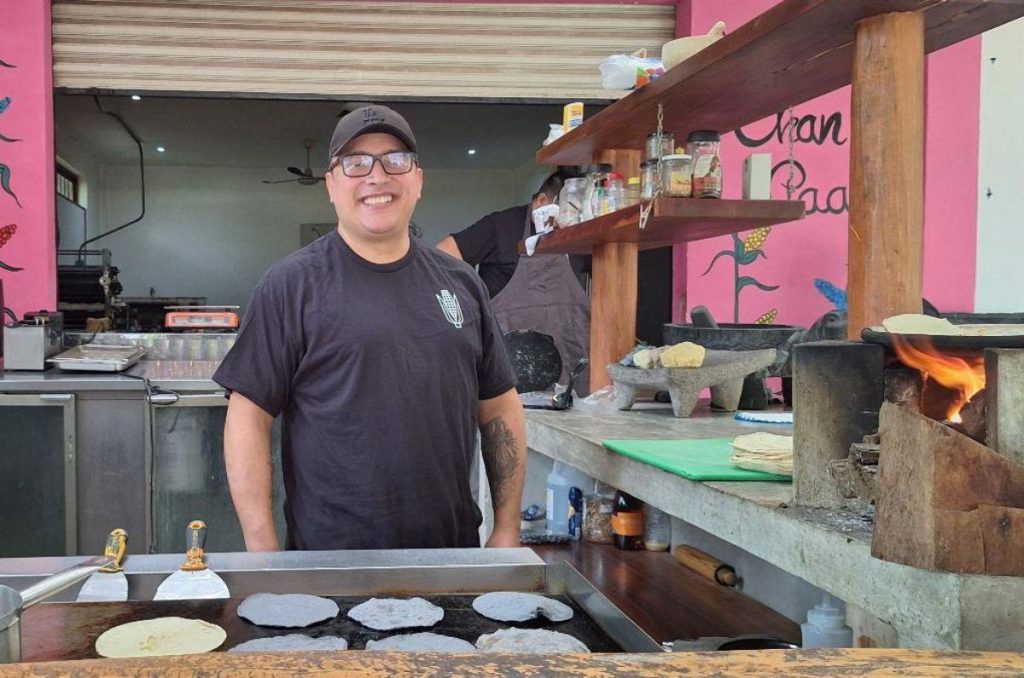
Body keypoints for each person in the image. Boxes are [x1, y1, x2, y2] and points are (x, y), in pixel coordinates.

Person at [214, 105, 526, 551]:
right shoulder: (291, 284)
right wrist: (263, 550)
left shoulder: (462, 284)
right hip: (329, 561)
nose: (377, 176)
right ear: (332, 185)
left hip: (450, 553)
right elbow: (248, 416)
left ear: (417, 178)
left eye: (394, 159)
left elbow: (499, 408)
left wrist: (507, 528)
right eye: (355, 162)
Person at [436, 172, 591, 391]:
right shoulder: (502, 226)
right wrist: (467, 316)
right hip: (509, 373)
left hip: (574, 374)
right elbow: (440, 258)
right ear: (542, 201)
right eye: (568, 209)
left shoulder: (585, 234)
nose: (572, 218)